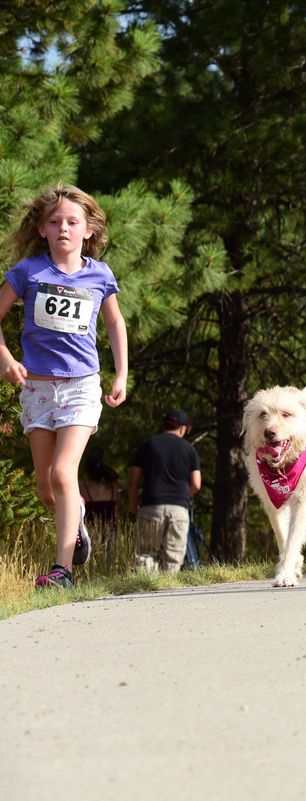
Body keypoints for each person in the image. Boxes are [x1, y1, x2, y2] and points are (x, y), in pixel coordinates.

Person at [0, 183, 128, 589]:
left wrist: (121, 374)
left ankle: (63, 570)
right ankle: (78, 523)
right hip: (37, 390)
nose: (64, 229)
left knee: (61, 471)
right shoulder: (27, 272)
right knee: (47, 488)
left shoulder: (99, 274)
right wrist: (6, 360)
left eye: (73, 222)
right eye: (54, 222)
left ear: (88, 230)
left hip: (81, 387)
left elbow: (113, 323)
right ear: (41, 229)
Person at [128, 410, 202, 572]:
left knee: (145, 554)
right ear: (182, 429)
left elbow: (133, 481)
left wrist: (133, 508)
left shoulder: (148, 445)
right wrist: (183, 496)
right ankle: (167, 594)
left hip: (150, 507)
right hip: (178, 510)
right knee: (173, 559)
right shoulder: (189, 450)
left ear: (165, 425)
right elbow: (196, 484)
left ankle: (144, 592)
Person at [81, 450, 121, 544]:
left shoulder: (82, 487)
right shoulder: (113, 487)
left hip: (90, 533)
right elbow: (118, 510)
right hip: (111, 533)